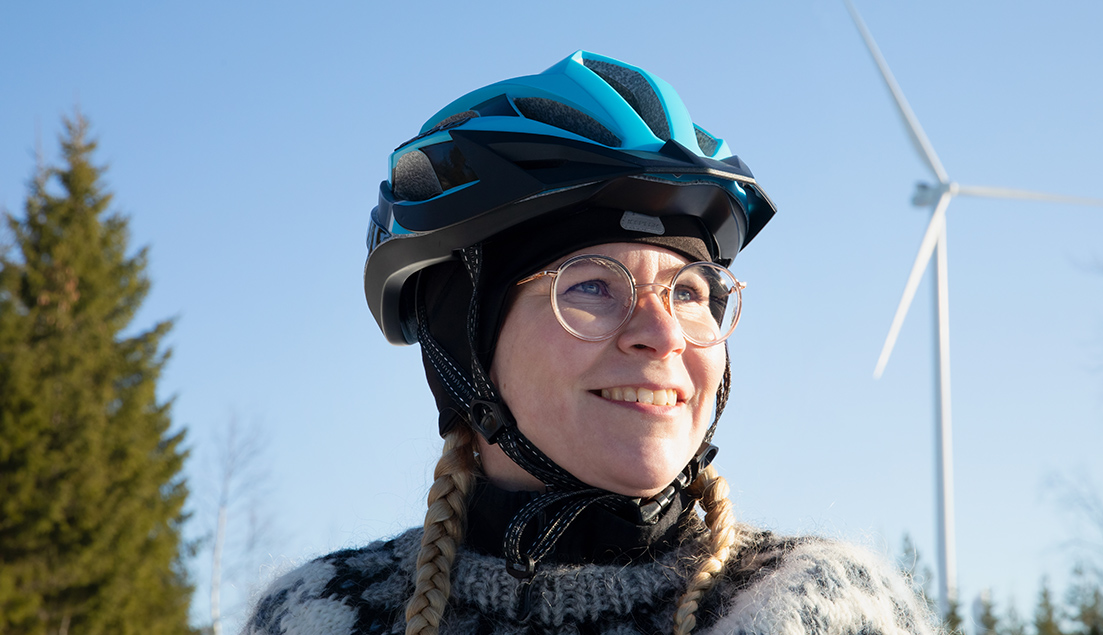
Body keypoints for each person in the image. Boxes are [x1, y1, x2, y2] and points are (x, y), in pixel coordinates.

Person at [243, 51, 939, 635]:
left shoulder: (820, 609)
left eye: (692, 291)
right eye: (592, 286)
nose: (663, 334)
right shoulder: (324, 613)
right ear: (464, 343)